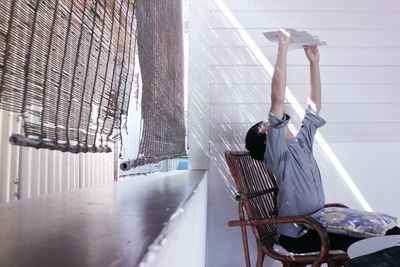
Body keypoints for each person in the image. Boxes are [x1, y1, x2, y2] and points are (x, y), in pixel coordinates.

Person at [245, 28, 400, 253]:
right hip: (301, 233)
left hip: (319, 222)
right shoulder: (276, 156)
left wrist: (314, 63)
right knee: (382, 244)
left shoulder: (300, 145)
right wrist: (283, 48)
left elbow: (314, 108)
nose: (269, 123)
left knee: (393, 234)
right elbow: (277, 99)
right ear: (266, 142)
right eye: (263, 126)